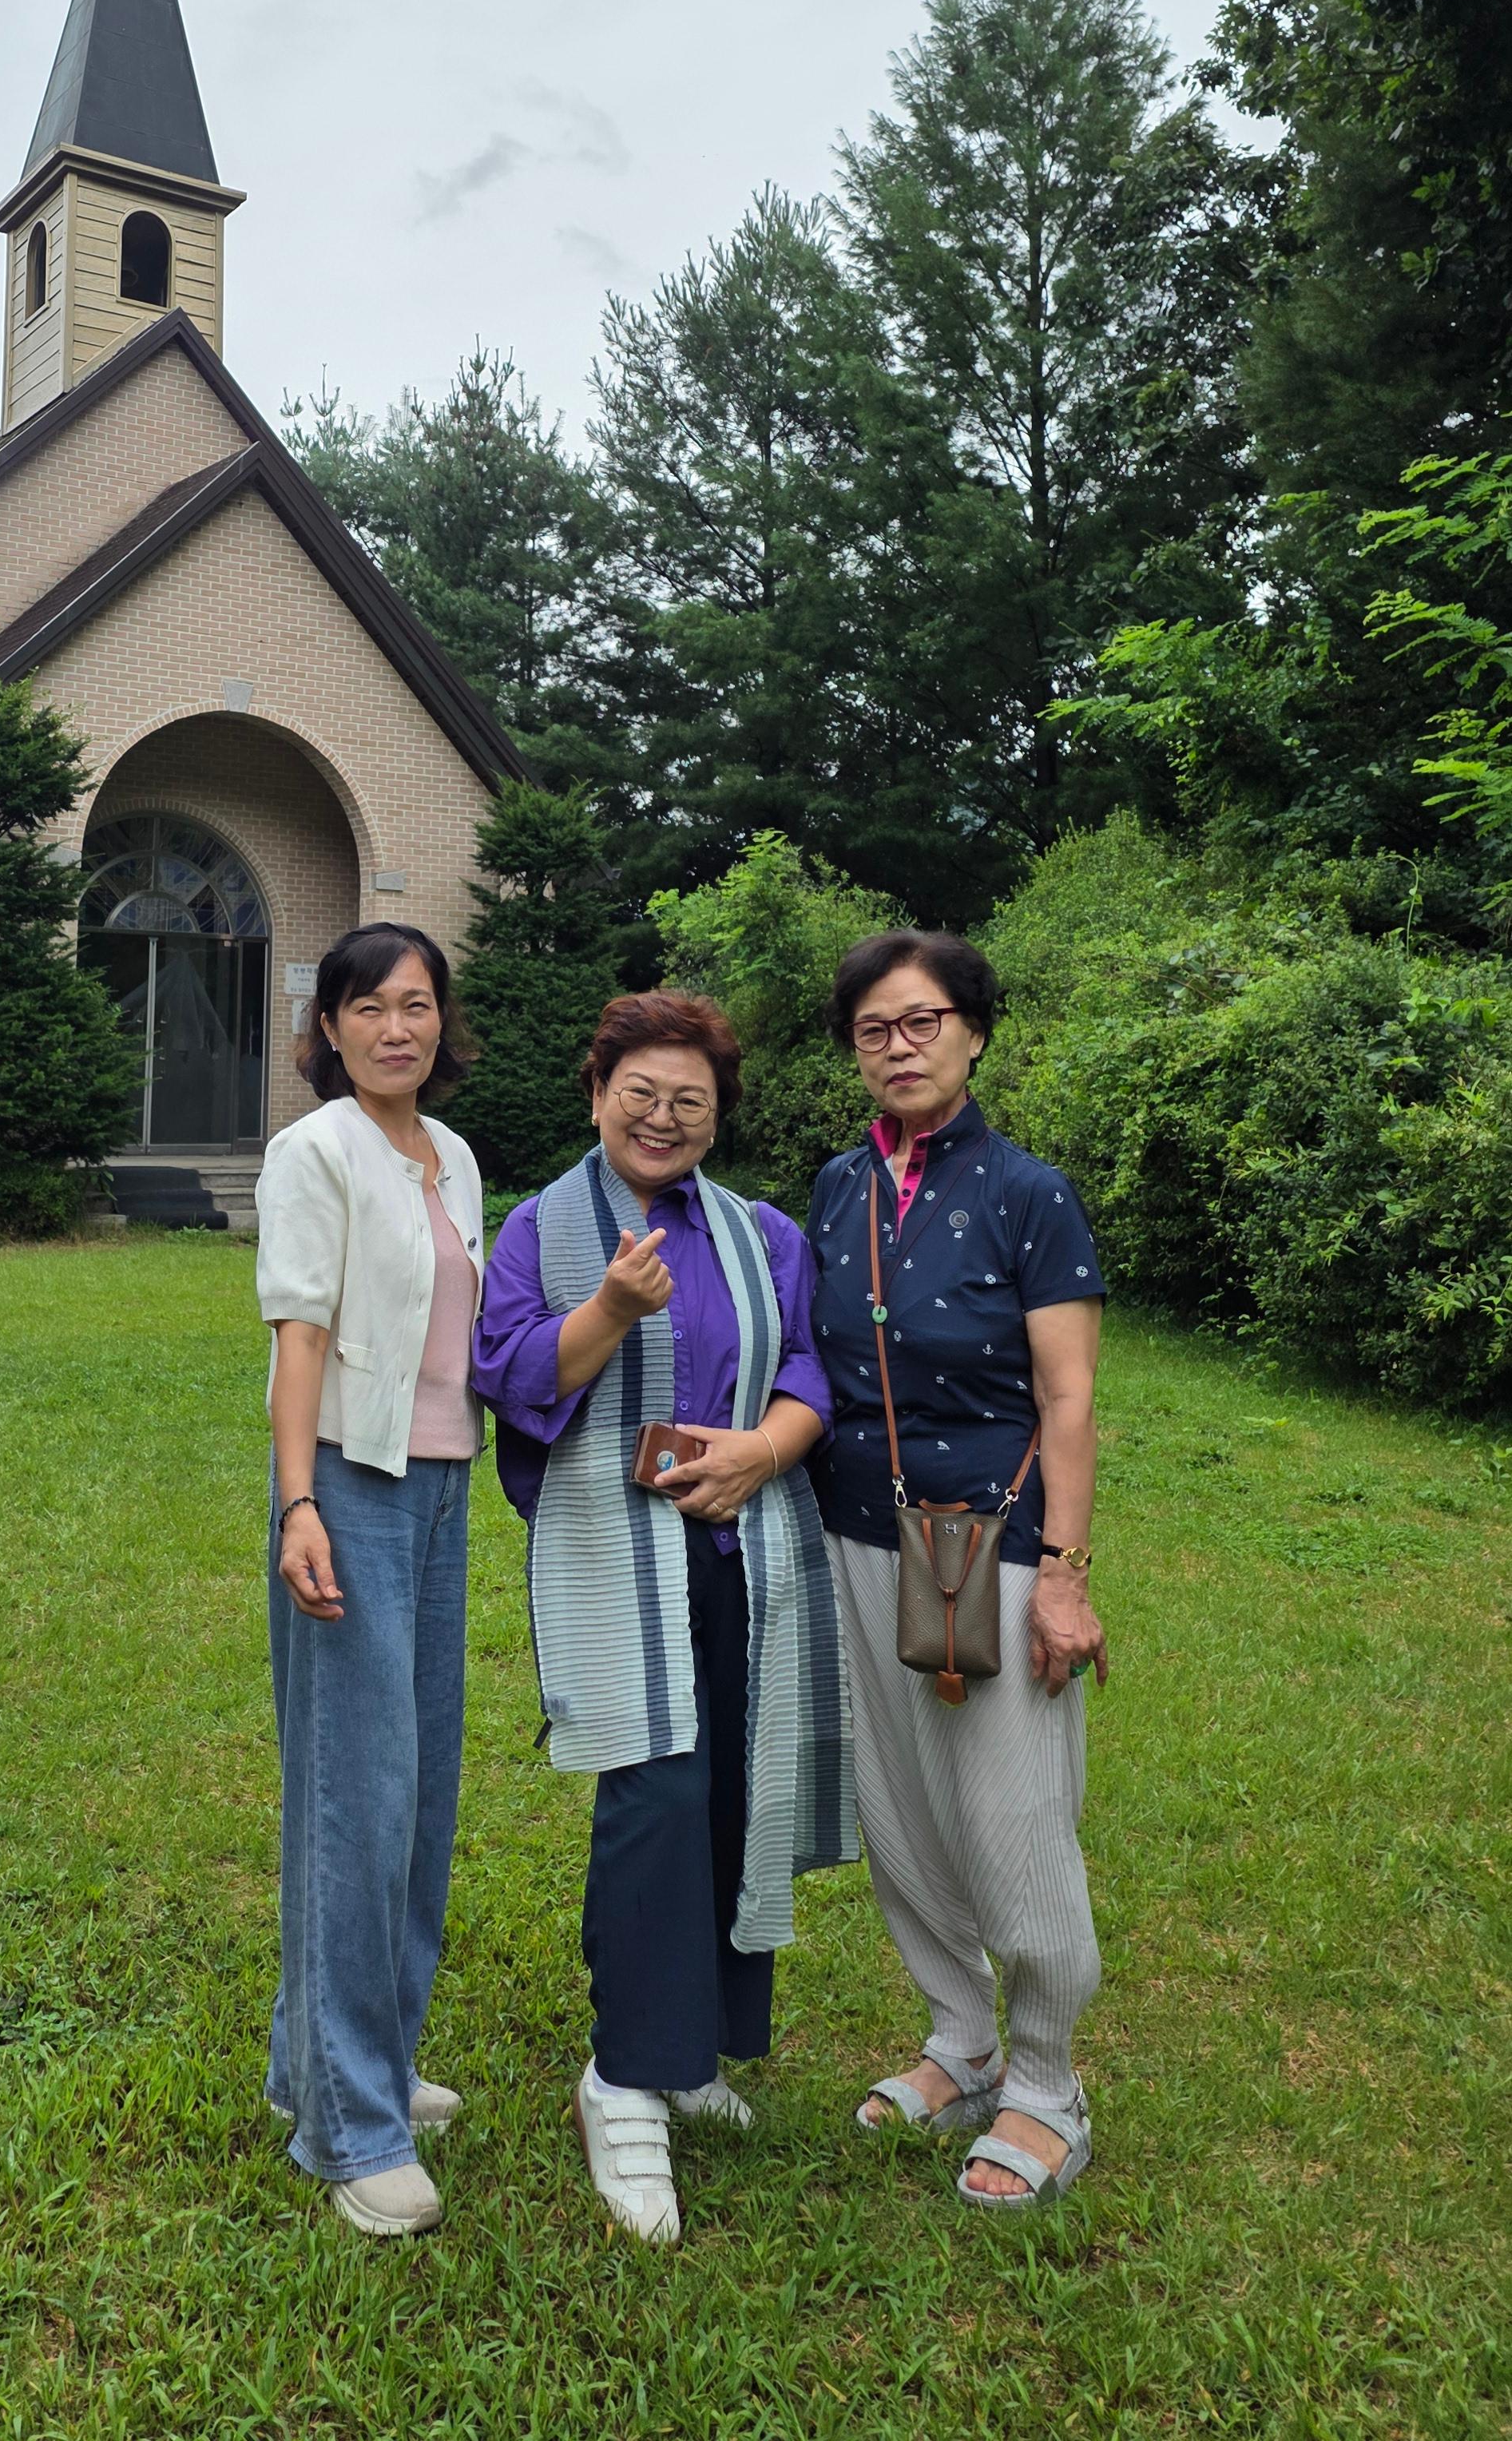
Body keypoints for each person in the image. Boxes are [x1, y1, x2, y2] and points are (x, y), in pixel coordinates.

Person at [472, 990, 856, 2246]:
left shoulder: (760, 1233)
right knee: (656, 1792)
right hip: (613, 1553)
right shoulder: (542, 1228)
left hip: (745, 1542)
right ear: (597, 1095)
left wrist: (763, 1450)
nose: (663, 1116)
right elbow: (510, 1375)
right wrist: (610, 1312)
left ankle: (694, 2050)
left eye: (690, 1100)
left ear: (717, 1117)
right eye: (639, 1092)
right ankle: (625, 2078)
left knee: (737, 1789)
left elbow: (809, 1367)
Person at [808, 930, 1110, 2211]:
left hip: (992, 1545)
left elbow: (1070, 1396)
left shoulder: (1029, 1193)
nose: (900, 1046)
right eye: (875, 1029)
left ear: (974, 1034)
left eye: (923, 1021)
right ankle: (963, 2040)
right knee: (903, 1812)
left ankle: (1047, 2083)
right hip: (857, 1538)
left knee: (1011, 1815)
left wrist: (1065, 1574)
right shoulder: (838, 1188)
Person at [253, 921, 487, 2240]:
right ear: (330, 1028)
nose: (397, 1028)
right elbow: (301, 1335)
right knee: (356, 1796)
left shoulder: (452, 1155)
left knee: (418, 1790)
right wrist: (298, 1502)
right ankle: (349, 2129)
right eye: (370, 1008)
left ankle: (355, 2060)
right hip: (347, 1487)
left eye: (417, 1005)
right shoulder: (317, 1151)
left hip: (442, 1490)